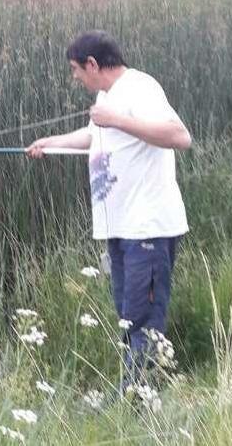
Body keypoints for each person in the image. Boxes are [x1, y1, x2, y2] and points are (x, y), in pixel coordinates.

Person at [26, 30, 192, 385]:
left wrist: (117, 119)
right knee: (128, 317)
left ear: (93, 64)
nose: (75, 77)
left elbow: (180, 136)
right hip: (119, 227)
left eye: (76, 69)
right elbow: (93, 137)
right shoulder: (106, 96)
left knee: (144, 320)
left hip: (147, 227)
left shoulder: (140, 88)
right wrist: (50, 143)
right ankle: (135, 393)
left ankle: (136, 402)